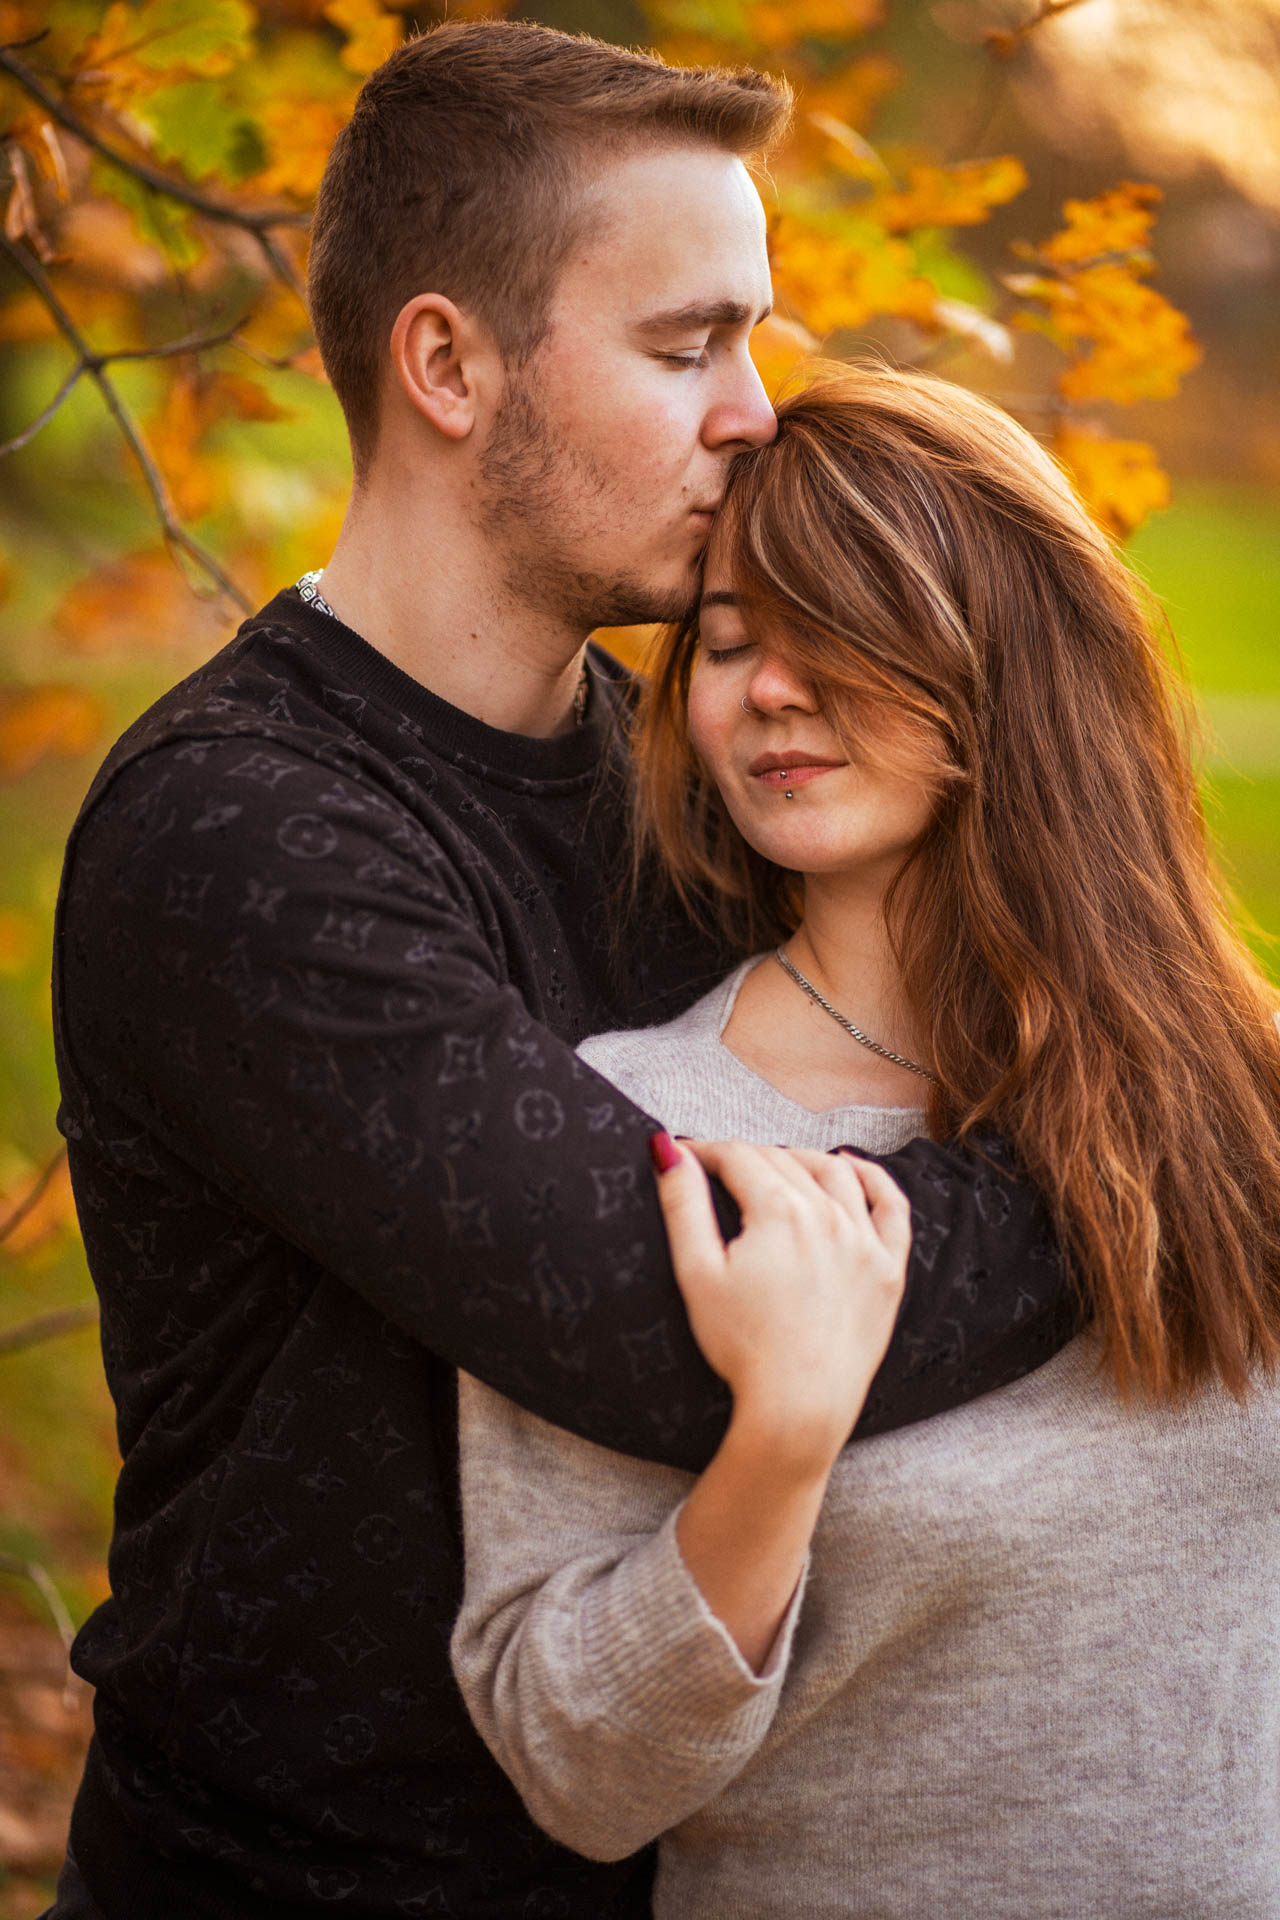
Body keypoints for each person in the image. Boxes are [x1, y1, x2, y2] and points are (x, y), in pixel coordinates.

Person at [43, 28, 1078, 1920]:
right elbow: (667, 1321)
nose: (755, 410)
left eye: (753, 341)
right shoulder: (242, 837)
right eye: (688, 345)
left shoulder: (682, 782)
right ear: (447, 364)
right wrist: (1147, 1153)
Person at [450, 365, 1280, 1919]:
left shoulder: (1239, 1084)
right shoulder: (643, 1123)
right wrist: (779, 1447)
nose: (765, 689)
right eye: (730, 640)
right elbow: (570, 1761)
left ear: (1006, 657)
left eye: (835, 631)